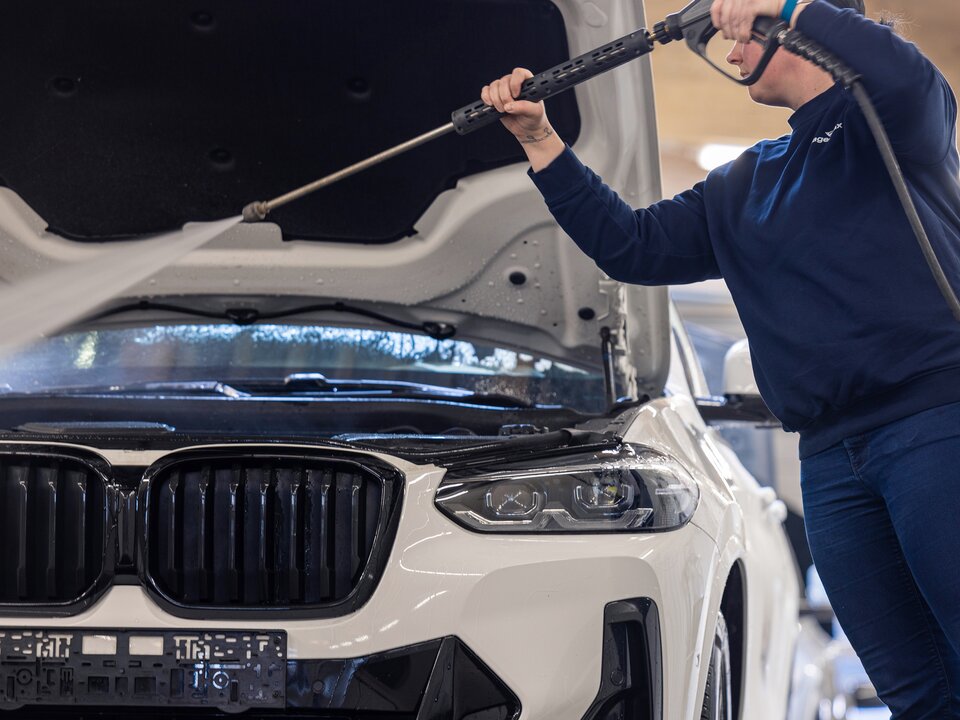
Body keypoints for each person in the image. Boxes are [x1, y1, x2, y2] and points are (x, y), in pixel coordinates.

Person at [480, 0, 960, 717]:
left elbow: (901, 70)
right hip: (830, 461)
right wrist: (542, 140)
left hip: (931, 425)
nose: (730, 54)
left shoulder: (890, 121)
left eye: (740, 35)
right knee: (912, 687)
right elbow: (632, 246)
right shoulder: (744, 182)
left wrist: (788, 6)